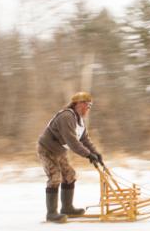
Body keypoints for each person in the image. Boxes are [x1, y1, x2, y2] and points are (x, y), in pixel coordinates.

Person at [37, 92, 103, 223]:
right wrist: (88, 155)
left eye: (90, 105)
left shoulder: (79, 120)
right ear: (77, 104)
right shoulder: (67, 117)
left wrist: (96, 153)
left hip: (59, 150)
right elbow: (73, 142)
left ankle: (67, 208)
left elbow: (84, 139)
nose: (88, 108)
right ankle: (51, 214)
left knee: (69, 175)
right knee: (55, 177)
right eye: (86, 104)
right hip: (47, 149)